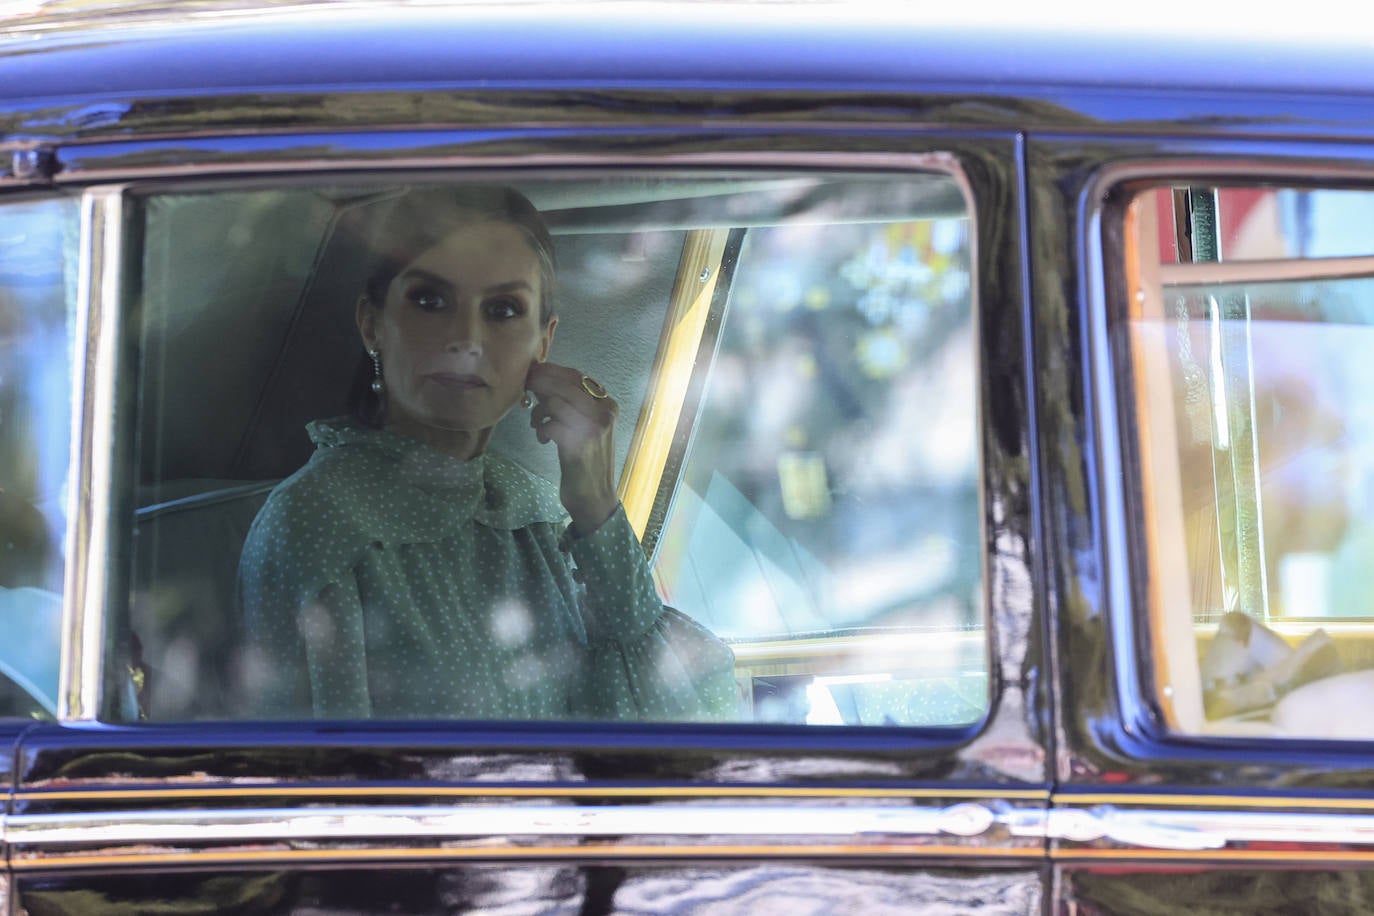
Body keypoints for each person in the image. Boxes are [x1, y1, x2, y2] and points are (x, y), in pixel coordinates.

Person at [238, 186, 736, 721]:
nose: (467, 337)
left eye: (502, 309)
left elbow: (668, 724)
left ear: (542, 344)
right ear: (372, 324)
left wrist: (596, 509)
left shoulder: (539, 514)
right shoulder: (315, 523)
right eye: (431, 301)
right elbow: (322, 787)